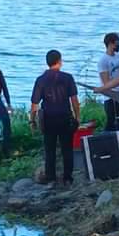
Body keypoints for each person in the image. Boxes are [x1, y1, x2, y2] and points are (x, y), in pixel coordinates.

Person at [30, 50, 81, 185]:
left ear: (47, 63)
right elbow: (74, 100)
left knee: (50, 149)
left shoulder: (40, 80)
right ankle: (68, 177)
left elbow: (35, 103)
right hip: (65, 117)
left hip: (48, 119)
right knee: (67, 148)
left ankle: (51, 177)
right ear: (60, 61)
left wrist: (32, 120)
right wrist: (77, 117)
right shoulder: (68, 78)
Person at [97, 33, 119, 132]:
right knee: (112, 122)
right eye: (117, 43)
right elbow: (105, 81)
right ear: (110, 43)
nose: (118, 45)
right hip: (111, 97)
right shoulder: (103, 60)